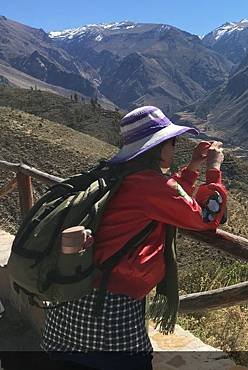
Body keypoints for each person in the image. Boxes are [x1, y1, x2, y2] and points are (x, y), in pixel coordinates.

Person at [40, 106, 228, 370]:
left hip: (69, 303)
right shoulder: (150, 185)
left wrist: (193, 166)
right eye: (171, 141)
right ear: (158, 146)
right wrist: (214, 169)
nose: (174, 147)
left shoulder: (117, 173)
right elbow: (205, 218)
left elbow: (168, 199)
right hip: (108, 313)